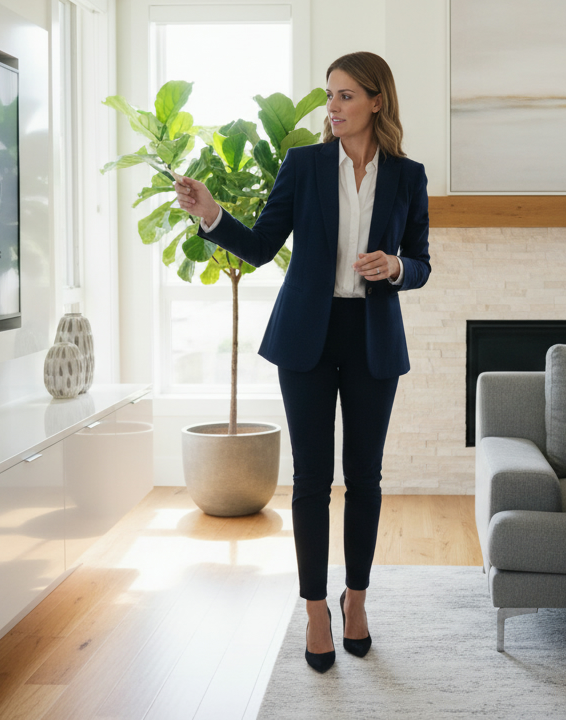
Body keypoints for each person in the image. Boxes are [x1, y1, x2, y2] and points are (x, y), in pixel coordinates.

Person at [173, 52, 430, 673]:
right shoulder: (305, 165)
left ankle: (357, 600)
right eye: (329, 96)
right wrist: (210, 213)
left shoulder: (407, 174)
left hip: (371, 337)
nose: (332, 107)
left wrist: (395, 267)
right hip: (307, 340)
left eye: (344, 96)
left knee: (363, 478)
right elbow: (261, 246)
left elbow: (420, 260)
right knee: (312, 479)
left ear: (376, 101)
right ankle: (315, 609)